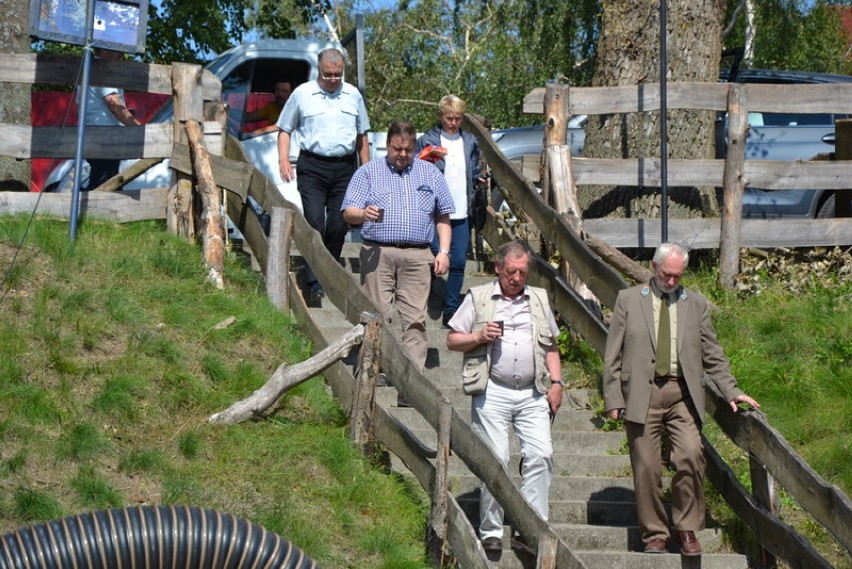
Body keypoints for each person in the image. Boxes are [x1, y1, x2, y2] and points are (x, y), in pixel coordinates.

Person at [602, 242, 760, 557]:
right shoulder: (629, 300)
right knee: (646, 466)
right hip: (642, 395)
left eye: (677, 276)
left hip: (681, 395)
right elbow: (613, 354)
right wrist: (613, 398)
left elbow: (712, 354)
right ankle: (655, 535)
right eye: (667, 274)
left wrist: (731, 390)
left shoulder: (695, 304)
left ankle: (686, 527)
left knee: (690, 456)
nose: (672, 281)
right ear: (653, 267)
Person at [445, 240, 564, 554]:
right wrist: (479, 336)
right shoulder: (479, 297)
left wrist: (557, 382)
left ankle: (531, 529)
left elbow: (551, 346)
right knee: (496, 458)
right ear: (498, 267)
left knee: (541, 455)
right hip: (492, 390)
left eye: (523, 272)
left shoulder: (538, 298)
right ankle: (491, 531)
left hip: (532, 390)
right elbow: (452, 340)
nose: (517, 277)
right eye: (511, 271)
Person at [341, 121, 454, 371]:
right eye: (397, 149)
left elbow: (443, 216)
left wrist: (444, 252)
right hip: (377, 252)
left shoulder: (431, 173)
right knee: (375, 314)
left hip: (418, 255)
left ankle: (412, 380)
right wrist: (363, 214)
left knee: (415, 319)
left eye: (408, 149)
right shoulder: (368, 172)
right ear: (387, 145)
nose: (403, 155)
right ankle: (371, 369)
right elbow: (348, 213)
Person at [276, 48, 371, 301]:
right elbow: (284, 129)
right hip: (312, 167)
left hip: (345, 168)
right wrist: (283, 159)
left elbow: (363, 136)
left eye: (337, 75)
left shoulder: (352, 95)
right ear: (320, 70)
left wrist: (367, 172)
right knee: (316, 222)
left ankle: (327, 271)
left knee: (340, 225)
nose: (333, 79)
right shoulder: (302, 94)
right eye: (328, 74)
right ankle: (315, 281)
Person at [414, 95, 483, 327]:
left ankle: (450, 309)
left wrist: (480, 179)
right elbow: (415, 170)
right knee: (435, 255)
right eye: (449, 118)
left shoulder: (470, 141)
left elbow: (473, 171)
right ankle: (424, 295)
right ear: (440, 116)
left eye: (458, 118)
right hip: (433, 211)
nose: (453, 122)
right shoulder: (427, 140)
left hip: (461, 211)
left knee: (459, 262)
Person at [80, 48, 142, 190]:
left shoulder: (89, 71)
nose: (121, 54)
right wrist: (140, 130)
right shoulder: (103, 72)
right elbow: (114, 105)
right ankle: (97, 209)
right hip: (105, 137)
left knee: (106, 179)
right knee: (104, 183)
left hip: (93, 134)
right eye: (116, 51)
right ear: (104, 51)